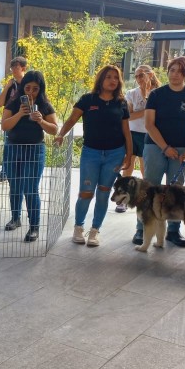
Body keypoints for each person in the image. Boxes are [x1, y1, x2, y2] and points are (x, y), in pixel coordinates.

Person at [55, 65, 132, 246]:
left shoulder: (121, 103)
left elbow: (126, 131)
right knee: (86, 193)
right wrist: (60, 134)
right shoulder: (87, 100)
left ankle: (95, 231)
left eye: (116, 77)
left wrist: (129, 155)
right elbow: (72, 120)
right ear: (101, 79)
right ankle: (78, 227)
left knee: (104, 194)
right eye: (108, 77)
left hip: (115, 154)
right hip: (91, 153)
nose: (113, 81)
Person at [132, 56, 185, 247]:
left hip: (181, 149)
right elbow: (149, 124)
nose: (175, 75)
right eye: (172, 70)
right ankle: (142, 229)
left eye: (180, 71)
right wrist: (165, 147)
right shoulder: (156, 95)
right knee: (150, 188)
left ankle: (173, 231)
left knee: (176, 190)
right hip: (155, 146)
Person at [1, 70, 58, 242]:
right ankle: (15, 218)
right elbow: (4, 126)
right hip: (13, 149)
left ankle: (34, 227)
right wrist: (20, 114)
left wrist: (41, 120)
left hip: (34, 150)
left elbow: (54, 130)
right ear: (22, 87)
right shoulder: (13, 103)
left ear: (40, 89)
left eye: (35, 89)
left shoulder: (45, 105)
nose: (31, 92)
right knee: (15, 185)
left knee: (30, 188)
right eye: (27, 88)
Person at [117, 65, 161, 213]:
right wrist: (148, 111)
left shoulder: (158, 93)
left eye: (141, 75)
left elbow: (158, 116)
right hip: (131, 133)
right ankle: (122, 199)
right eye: (136, 76)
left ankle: (145, 199)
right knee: (128, 165)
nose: (138, 79)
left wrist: (142, 111)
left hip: (149, 134)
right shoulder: (131, 93)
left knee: (146, 169)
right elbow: (128, 116)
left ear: (150, 75)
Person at [0, 56, 28, 184]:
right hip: (10, 121)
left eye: (16, 67)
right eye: (12, 67)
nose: (13, 70)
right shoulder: (11, 85)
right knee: (8, 148)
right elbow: (0, 103)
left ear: (23, 68)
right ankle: (4, 174)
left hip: (25, 122)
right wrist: (7, 87)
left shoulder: (28, 84)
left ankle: (21, 175)